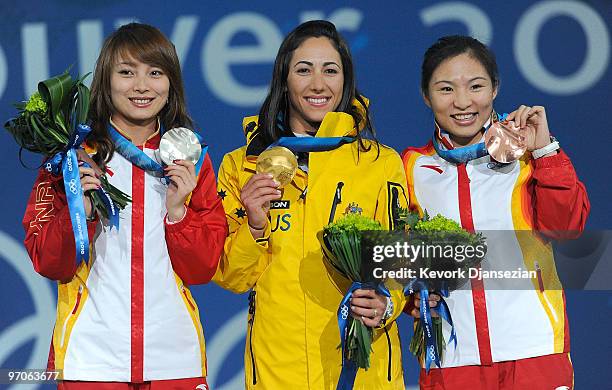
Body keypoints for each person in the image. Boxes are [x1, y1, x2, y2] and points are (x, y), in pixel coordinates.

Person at [22, 23, 227, 389]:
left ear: (171, 83)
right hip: (91, 362)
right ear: (106, 79)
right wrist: (79, 215)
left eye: (155, 72)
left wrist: (179, 214)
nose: (142, 86)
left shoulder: (190, 160)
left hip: (174, 363)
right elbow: (48, 261)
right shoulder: (75, 159)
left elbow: (203, 268)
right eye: (127, 72)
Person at [213, 20, 408, 389]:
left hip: (363, 372)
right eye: (304, 70)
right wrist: (254, 226)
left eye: (330, 70)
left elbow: (402, 259)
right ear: (284, 81)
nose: (318, 84)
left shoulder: (381, 163)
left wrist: (387, 304)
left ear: (345, 80)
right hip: (277, 370)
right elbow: (230, 277)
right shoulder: (243, 165)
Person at [402, 35, 590, 389]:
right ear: (425, 96)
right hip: (451, 360)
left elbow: (567, 228)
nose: (462, 102)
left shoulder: (528, 152)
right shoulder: (412, 168)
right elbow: (399, 258)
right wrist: (410, 294)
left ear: (495, 89)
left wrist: (546, 152)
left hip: (533, 353)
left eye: (476, 86)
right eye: (445, 89)